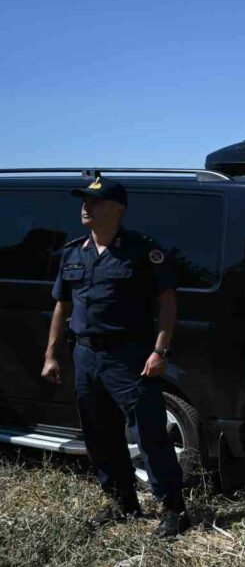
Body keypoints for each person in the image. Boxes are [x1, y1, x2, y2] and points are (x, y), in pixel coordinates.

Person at [41, 177, 190, 537]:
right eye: (84, 201)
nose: (86, 207)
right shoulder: (74, 252)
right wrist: (51, 355)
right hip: (86, 354)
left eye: (95, 202)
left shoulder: (142, 250)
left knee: (149, 432)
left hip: (129, 355)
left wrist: (160, 350)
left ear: (118, 209)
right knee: (99, 433)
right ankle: (122, 502)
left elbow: (167, 302)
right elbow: (62, 306)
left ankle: (174, 509)